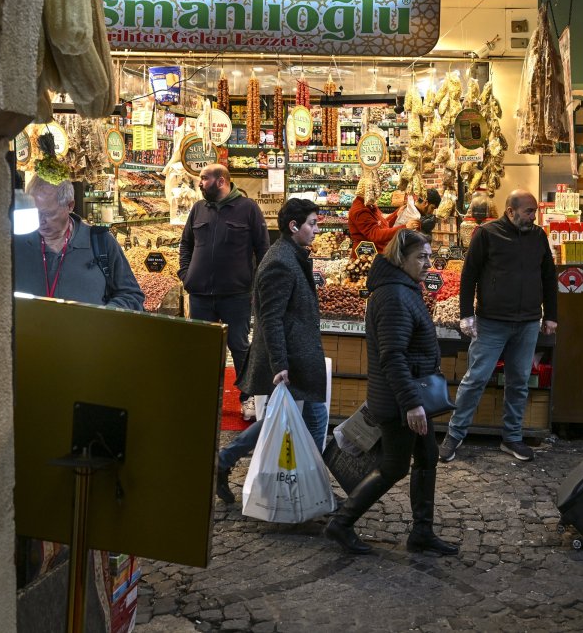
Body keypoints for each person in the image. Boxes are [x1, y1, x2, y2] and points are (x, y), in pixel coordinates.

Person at [324, 230, 458, 556]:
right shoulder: (395, 296)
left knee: (427, 457)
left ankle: (422, 532)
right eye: (421, 257)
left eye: (429, 256)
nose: (428, 264)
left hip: (410, 396)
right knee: (394, 467)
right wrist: (411, 404)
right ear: (401, 259)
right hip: (401, 401)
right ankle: (341, 523)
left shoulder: (404, 288)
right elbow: (392, 356)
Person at [214, 199, 329, 504]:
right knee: (312, 419)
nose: (316, 230)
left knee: (284, 419)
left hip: (298, 353)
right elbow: (270, 318)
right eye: (312, 224)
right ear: (294, 226)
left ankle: (225, 460)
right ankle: (309, 487)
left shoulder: (291, 255)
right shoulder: (280, 261)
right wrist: (279, 364)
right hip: (289, 357)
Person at [439, 190, 557, 463]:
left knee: (519, 381)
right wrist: (466, 314)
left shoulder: (538, 236)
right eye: (529, 211)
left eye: (535, 211)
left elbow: (549, 277)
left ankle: (512, 437)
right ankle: (454, 435)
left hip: (528, 322)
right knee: (475, 379)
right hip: (491, 322)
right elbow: (469, 274)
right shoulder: (486, 234)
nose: (533, 216)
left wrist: (551, 315)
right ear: (510, 211)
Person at [178, 163, 270, 420]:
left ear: (221, 181)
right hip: (200, 295)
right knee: (203, 348)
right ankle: (204, 397)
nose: (200, 183)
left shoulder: (248, 209)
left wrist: (256, 284)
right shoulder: (198, 208)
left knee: (239, 347)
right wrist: (186, 275)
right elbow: (186, 244)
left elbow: (263, 249)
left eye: (204, 178)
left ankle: (248, 397)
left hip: (236, 294)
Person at [14, 176, 145, 310]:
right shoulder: (16, 244)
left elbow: (132, 296)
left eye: (48, 214)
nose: (40, 221)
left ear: (70, 206)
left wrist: (104, 315)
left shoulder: (101, 242)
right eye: (34, 212)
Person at [348, 170, 419, 252]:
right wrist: (404, 227)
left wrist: (396, 214)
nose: (379, 194)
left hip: (378, 250)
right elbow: (376, 234)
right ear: (369, 191)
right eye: (377, 190)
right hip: (367, 253)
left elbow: (382, 224)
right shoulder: (360, 210)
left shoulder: (369, 205)